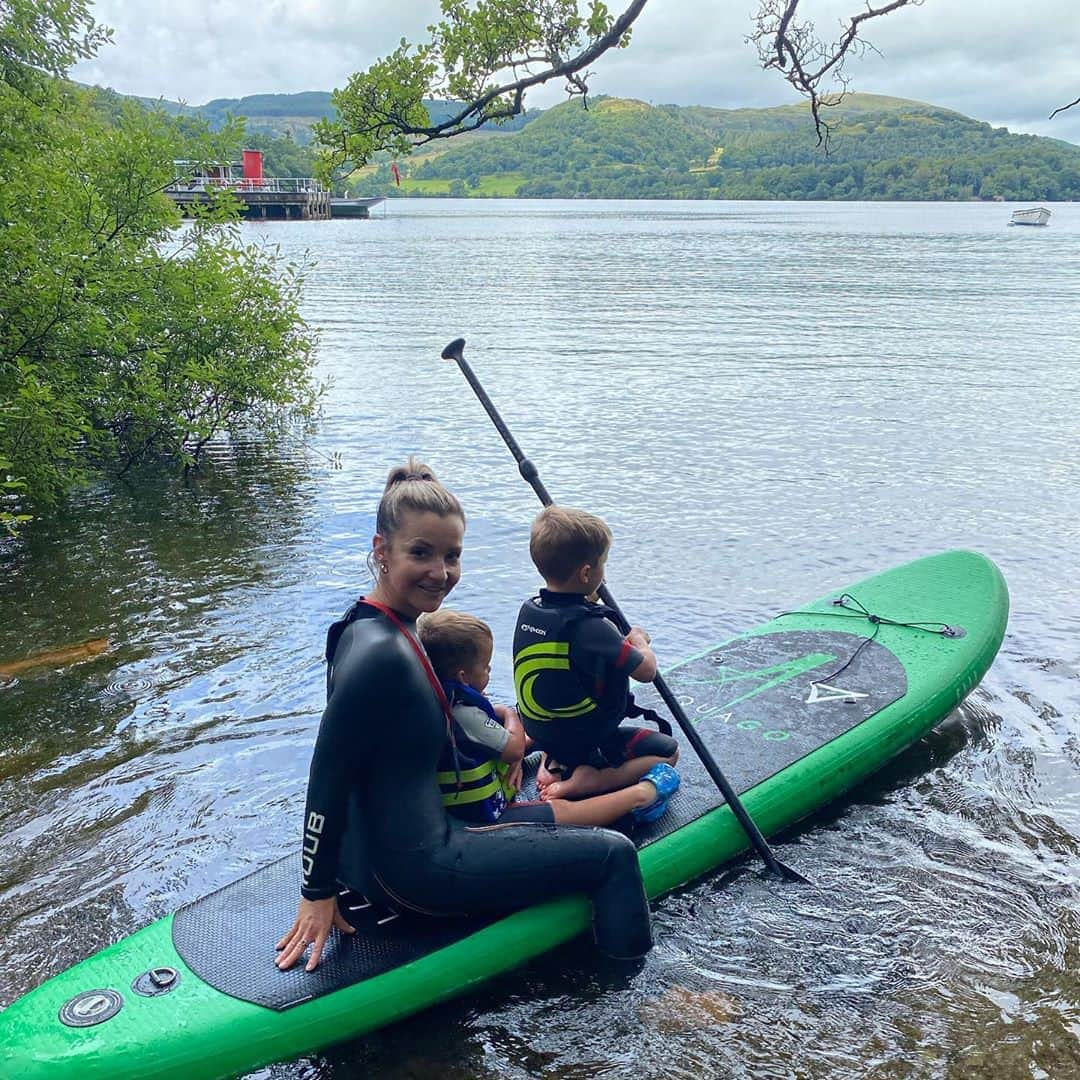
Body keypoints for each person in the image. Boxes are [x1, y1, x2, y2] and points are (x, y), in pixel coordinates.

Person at [275, 459, 656, 974]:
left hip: (371, 864)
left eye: (452, 556)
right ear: (381, 551)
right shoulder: (385, 654)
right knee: (613, 855)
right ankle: (639, 1000)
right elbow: (328, 771)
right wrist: (316, 892)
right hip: (423, 869)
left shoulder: (361, 627)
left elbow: (390, 748)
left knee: (540, 764)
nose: (441, 572)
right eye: (421, 553)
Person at [418, 607, 680, 827]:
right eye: (486, 667)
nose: (488, 671)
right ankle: (642, 795)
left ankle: (550, 761)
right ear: (463, 676)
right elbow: (514, 747)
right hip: (483, 821)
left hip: (471, 794)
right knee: (565, 812)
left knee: (533, 728)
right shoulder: (463, 713)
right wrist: (508, 713)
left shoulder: (437, 697)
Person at [513, 505, 680, 802]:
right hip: (587, 736)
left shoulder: (530, 611)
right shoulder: (593, 628)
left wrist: (586, 596)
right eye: (603, 564)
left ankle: (550, 759)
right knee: (669, 753)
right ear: (587, 572)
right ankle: (592, 779)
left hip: (540, 728)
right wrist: (639, 640)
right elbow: (646, 671)